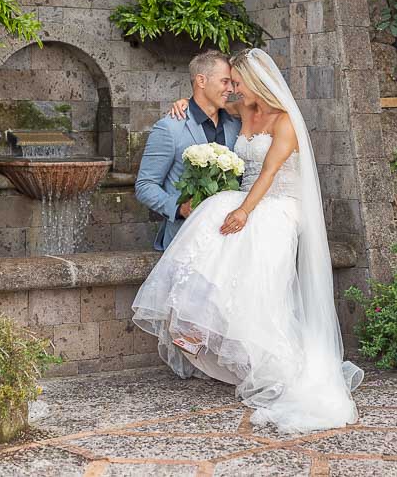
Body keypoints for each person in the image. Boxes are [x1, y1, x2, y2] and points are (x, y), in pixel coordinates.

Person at [132, 48, 362, 433]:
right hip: (249, 199)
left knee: (238, 225)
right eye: (229, 83)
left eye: (236, 83)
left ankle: (255, 352)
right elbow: (202, 106)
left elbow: (269, 173)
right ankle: (195, 325)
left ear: (254, 83)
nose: (233, 89)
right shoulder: (241, 114)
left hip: (278, 204)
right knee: (217, 215)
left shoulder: (285, 121)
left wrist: (244, 212)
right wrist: (182, 104)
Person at [134, 50, 241, 252]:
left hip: (231, 242)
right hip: (186, 240)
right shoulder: (169, 127)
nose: (230, 89)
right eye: (225, 82)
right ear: (201, 81)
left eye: (232, 83)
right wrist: (179, 208)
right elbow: (145, 185)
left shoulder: (236, 125)